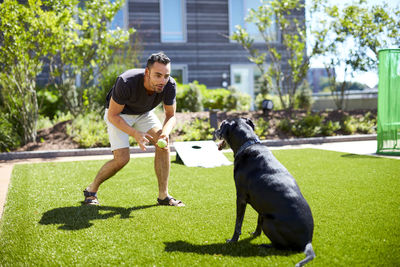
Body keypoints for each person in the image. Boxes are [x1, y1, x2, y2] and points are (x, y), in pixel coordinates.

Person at [83, 52, 184, 207]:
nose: (162, 80)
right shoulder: (126, 81)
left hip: (143, 114)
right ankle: (91, 190)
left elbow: (171, 115)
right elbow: (112, 115)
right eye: (158, 75)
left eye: (166, 76)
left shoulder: (169, 84)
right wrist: (134, 133)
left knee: (163, 144)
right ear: (147, 72)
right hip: (119, 114)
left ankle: (163, 196)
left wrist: (164, 133)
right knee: (122, 159)